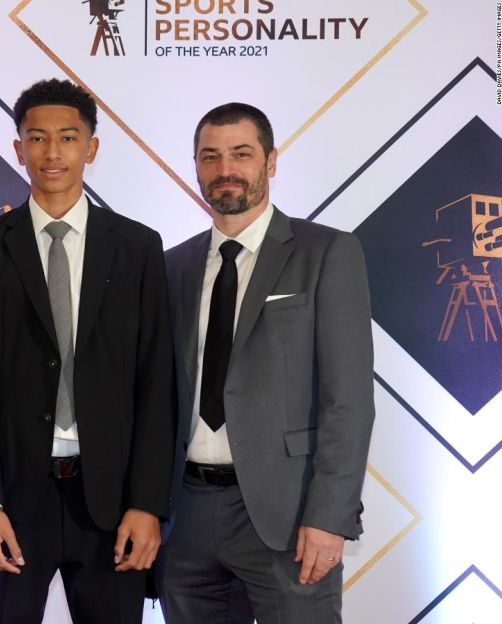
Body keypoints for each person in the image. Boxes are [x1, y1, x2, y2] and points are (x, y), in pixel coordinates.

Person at [0, 78, 175, 624]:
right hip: (11, 501)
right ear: (18, 149)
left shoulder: (139, 247)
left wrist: (147, 504)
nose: (52, 153)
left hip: (110, 505)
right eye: (37, 138)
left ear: (91, 148)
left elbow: (156, 384)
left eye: (68, 138)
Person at [156, 102, 375, 623]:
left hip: (290, 517)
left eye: (241, 154)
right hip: (185, 519)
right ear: (196, 167)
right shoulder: (173, 266)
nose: (225, 169)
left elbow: (348, 402)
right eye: (210, 157)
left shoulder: (326, 253)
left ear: (271, 162)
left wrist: (329, 517)